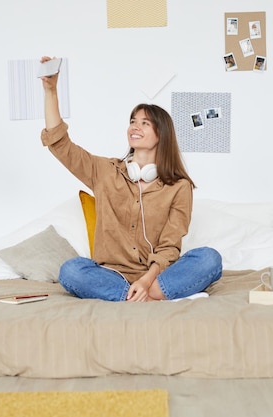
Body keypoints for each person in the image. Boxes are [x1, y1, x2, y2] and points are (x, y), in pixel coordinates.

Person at [39, 56, 222, 302]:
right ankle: (139, 297)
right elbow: (60, 145)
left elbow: (170, 246)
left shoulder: (179, 186)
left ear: (161, 135)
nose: (135, 127)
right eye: (133, 121)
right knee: (70, 270)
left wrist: (148, 280)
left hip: (158, 276)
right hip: (110, 275)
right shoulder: (104, 171)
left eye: (145, 123)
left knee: (210, 259)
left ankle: (146, 294)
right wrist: (50, 91)